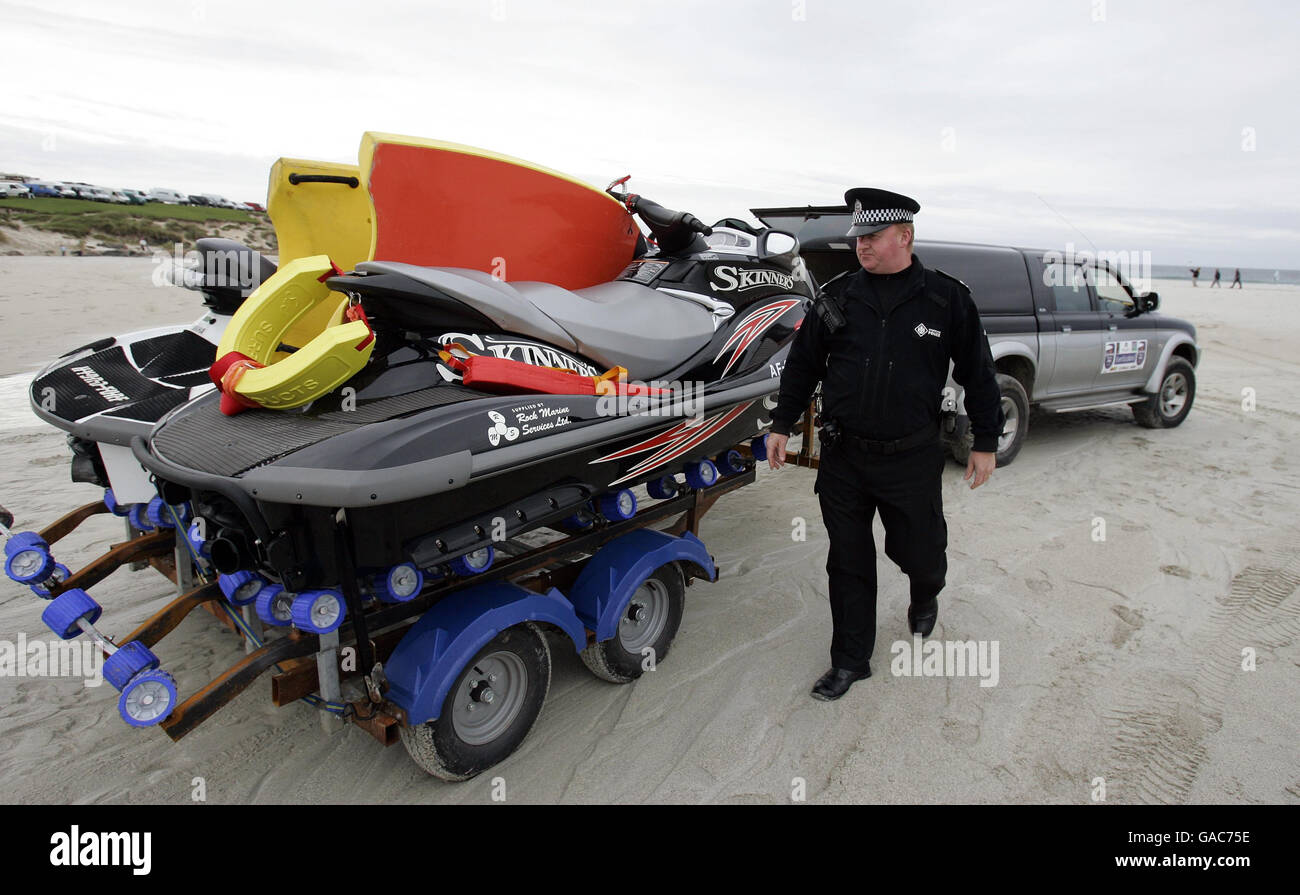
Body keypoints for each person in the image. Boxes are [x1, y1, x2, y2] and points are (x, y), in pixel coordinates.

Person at [766, 188, 1003, 701]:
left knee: (919, 552)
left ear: (905, 236)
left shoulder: (946, 299)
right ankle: (851, 661)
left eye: (872, 237)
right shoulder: (837, 296)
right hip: (845, 457)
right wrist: (781, 423)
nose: (861, 246)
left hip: (912, 458)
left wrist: (985, 440)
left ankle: (925, 592)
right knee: (847, 560)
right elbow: (804, 365)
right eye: (858, 237)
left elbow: (979, 374)